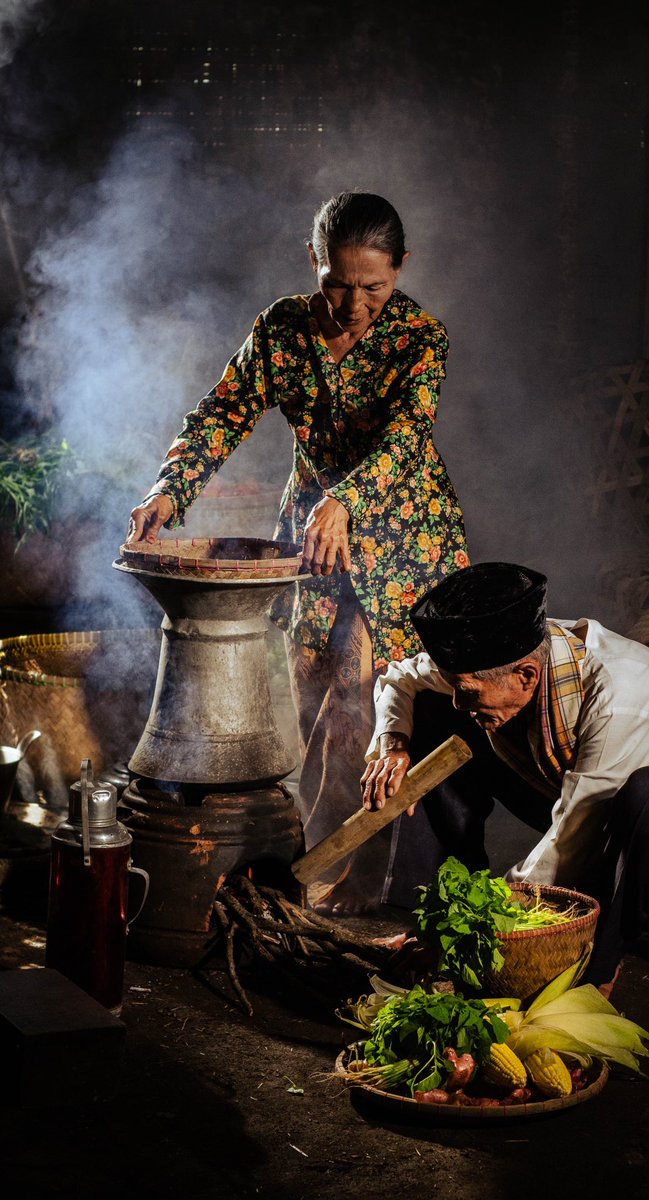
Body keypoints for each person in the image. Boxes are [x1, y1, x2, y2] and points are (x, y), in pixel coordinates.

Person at [127, 191, 470, 915]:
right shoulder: (280, 329)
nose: (352, 305)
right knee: (306, 693)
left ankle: (352, 882)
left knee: (368, 703)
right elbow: (223, 412)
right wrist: (169, 489)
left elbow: (406, 437)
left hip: (402, 536)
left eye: (373, 287)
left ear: (401, 269)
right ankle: (305, 857)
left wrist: (344, 500)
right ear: (312, 262)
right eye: (336, 285)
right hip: (313, 540)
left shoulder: (420, 338)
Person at [360, 561, 649, 996]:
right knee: (434, 712)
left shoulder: (622, 695)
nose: (461, 698)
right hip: (576, 801)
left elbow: (573, 834)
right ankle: (431, 911)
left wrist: (473, 929)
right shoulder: (504, 655)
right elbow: (398, 678)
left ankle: (597, 968)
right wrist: (393, 742)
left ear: (527, 675)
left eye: (468, 690)